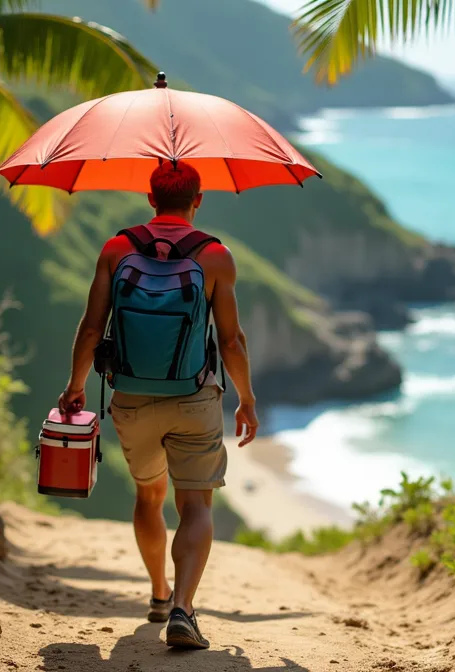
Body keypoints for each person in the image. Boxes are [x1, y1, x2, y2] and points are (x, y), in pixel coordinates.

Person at [58, 161, 259, 650]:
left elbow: (90, 327)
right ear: (199, 198)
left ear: (150, 199)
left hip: (129, 399)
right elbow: (230, 341)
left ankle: (157, 592)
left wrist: (74, 386)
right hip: (193, 400)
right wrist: (247, 399)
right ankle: (184, 609)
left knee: (149, 496)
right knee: (195, 505)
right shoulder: (216, 257)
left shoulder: (116, 249)